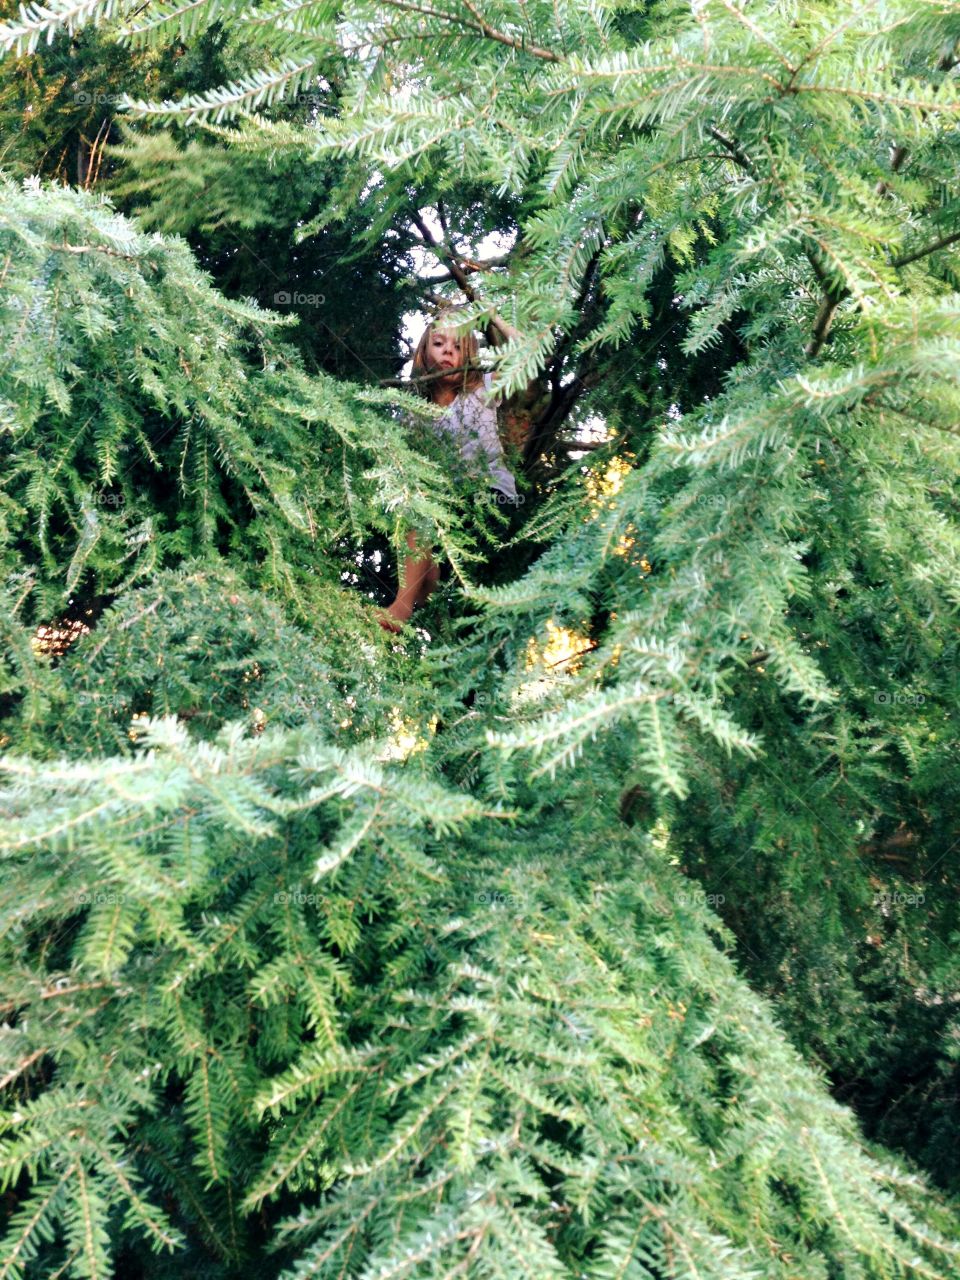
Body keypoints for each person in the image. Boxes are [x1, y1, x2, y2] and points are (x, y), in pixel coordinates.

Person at [378, 311, 538, 632]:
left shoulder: (484, 389)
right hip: (445, 507)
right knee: (417, 513)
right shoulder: (412, 412)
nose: (448, 351)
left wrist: (492, 315)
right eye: (438, 343)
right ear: (423, 354)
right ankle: (420, 588)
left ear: (469, 355)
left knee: (443, 538)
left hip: (490, 498)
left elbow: (528, 353)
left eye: (458, 345)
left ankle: (413, 597)